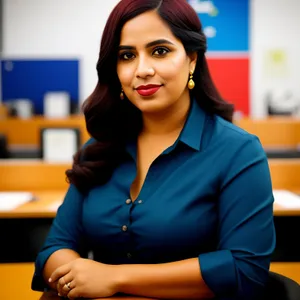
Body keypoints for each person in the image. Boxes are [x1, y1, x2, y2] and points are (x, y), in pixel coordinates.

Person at [32, 0, 276, 299]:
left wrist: (114, 277)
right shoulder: (98, 148)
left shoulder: (238, 151)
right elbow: (55, 249)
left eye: (160, 51)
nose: (142, 70)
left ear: (192, 60)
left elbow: (244, 270)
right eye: (127, 55)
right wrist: (77, 276)